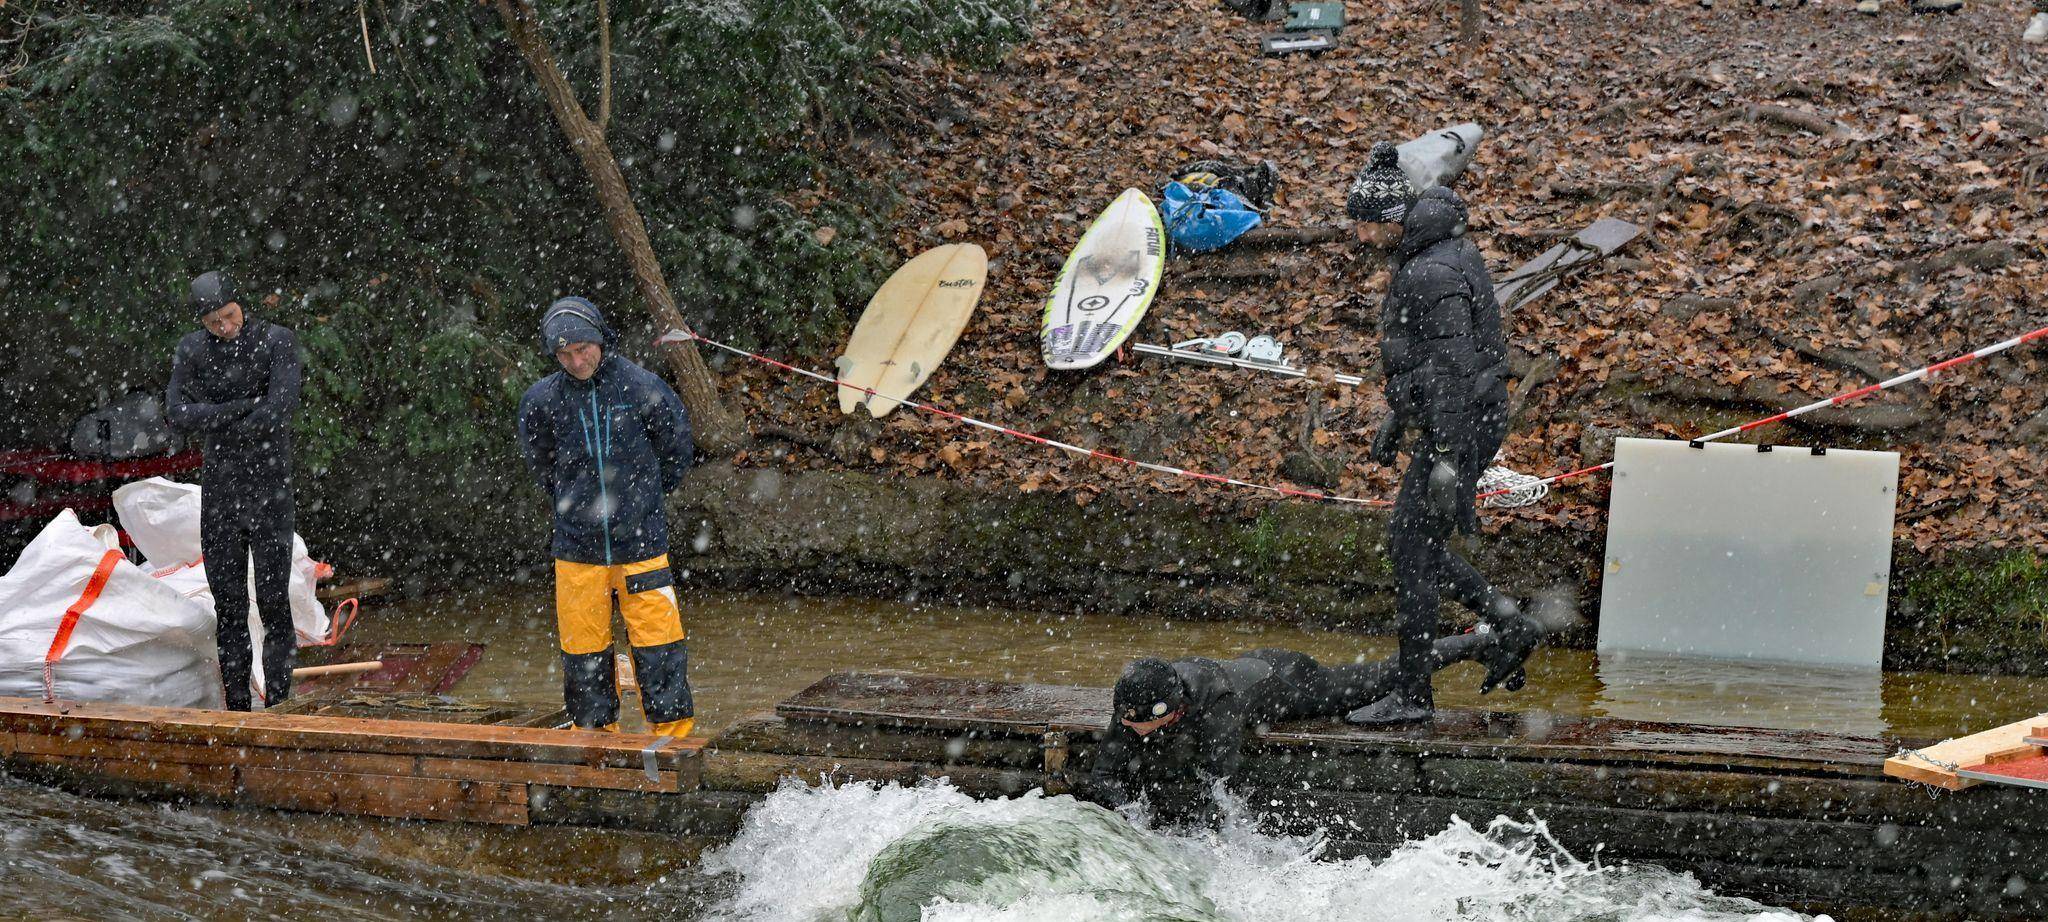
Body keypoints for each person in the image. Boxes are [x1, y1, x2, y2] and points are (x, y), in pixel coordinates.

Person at [1343, 156, 1540, 726]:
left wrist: (1449, 457)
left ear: (1388, 219)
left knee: (1410, 550)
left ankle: (1413, 697)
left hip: (1463, 426)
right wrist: (1401, 417)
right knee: (1416, 544)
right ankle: (1509, 625)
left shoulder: (1427, 271)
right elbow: (1435, 361)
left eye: (1363, 224)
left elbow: (1455, 367)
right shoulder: (1435, 252)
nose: (1359, 235)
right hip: (1459, 420)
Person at [517, 297, 697, 737]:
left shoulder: (641, 387)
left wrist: (643, 502)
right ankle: (594, 738)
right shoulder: (541, 400)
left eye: (583, 349)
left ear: (599, 339)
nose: (577, 361)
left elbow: (677, 451)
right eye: (565, 354)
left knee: (660, 645)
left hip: (642, 544)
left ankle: (672, 739)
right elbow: (541, 465)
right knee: (582, 649)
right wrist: (575, 506)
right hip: (576, 549)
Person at [1082, 640, 1494, 806]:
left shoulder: (1216, 705)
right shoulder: (1135, 703)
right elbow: (1104, 774)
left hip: (1291, 680)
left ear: (1167, 711)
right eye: (1124, 719)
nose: (1125, 726)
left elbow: (1221, 783)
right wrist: (1130, 819)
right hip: (1251, 665)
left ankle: (1478, 641)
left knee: (1379, 677)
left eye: (1134, 722)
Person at [165, 271, 303, 711]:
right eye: (213, 323)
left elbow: (281, 406)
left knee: (274, 601)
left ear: (242, 305)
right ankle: (238, 707)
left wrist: (220, 417)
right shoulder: (192, 350)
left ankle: (280, 703)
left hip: (270, 487)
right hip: (222, 491)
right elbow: (177, 413)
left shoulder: (276, 340)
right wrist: (242, 408)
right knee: (229, 605)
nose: (224, 328)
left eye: (228, 316)